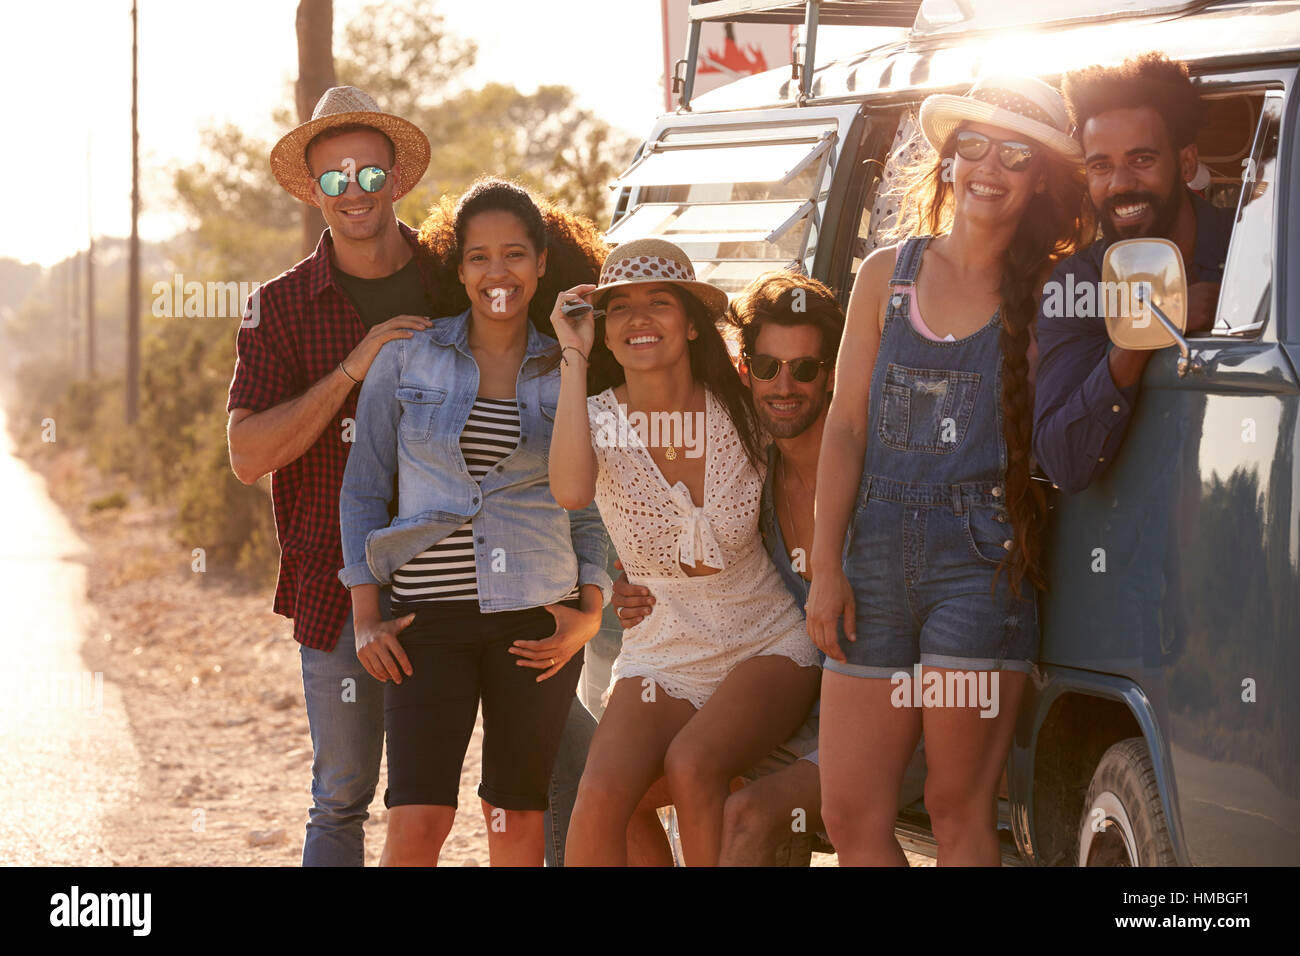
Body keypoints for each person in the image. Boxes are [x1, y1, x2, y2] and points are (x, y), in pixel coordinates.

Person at [806, 75, 1093, 865]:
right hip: (870, 561)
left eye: (1015, 154)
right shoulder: (884, 276)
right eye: (974, 146)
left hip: (982, 565)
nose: (989, 168)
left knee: (957, 808)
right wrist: (825, 564)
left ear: (1039, 178)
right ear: (948, 158)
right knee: (850, 809)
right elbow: (846, 426)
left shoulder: (1053, 290)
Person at [338, 179, 611, 866]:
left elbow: (588, 506)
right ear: (457, 267)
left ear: (542, 262)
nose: (499, 273)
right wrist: (365, 613)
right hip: (426, 621)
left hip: (534, 619)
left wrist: (589, 612)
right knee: (416, 821)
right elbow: (365, 488)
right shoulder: (408, 357)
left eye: (515, 255)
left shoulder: (566, 368)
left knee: (513, 821)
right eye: (480, 257)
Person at [548, 240, 822, 866]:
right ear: (606, 333)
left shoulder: (742, 406)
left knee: (694, 763)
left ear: (693, 323)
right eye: (620, 309)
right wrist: (571, 353)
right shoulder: (596, 420)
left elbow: (816, 472)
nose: (640, 318)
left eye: (660, 301)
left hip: (765, 637)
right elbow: (570, 491)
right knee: (601, 792)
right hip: (663, 644)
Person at [226, 86, 437, 866]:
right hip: (334, 582)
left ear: (398, 179)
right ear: (313, 190)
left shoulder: (452, 280)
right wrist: (354, 366)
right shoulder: (276, 309)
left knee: (533, 774)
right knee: (343, 793)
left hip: (468, 571)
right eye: (336, 179)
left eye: (371, 176)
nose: (355, 193)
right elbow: (247, 454)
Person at [611, 272, 843, 865]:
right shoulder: (752, 462)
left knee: (730, 800)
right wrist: (626, 579)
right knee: (623, 796)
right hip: (780, 705)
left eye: (806, 369)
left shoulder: (867, 479)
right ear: (746, 371)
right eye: (767, 368)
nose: (783, 386)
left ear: (834, 374)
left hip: (859, 708)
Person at [1034, 53, 1234, 493]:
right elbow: (1063, 462)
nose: (1119, 183)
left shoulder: (1248, 247)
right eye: (1101, 165)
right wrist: (1152, 327)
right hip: (1127, 541)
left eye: (1141, 159)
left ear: (1185, 164)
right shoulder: (1076, 284)